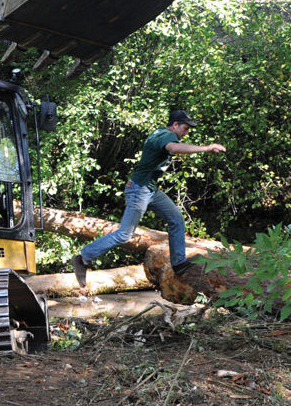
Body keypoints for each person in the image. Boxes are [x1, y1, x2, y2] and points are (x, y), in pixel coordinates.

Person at [72, 109, 226, 287]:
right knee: (124, 234)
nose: (186, 133)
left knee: (176, 219)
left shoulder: (162, 134)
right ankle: (83, 258)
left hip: (149, 189)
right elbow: (174, 148)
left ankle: (179, 263)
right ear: (175, 125)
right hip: (139, 190)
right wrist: (206, 148)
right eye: (185, 128)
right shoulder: (165, 135)